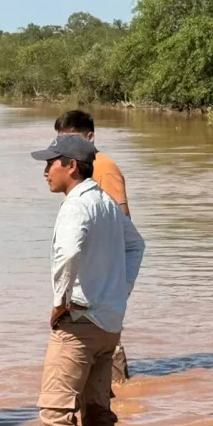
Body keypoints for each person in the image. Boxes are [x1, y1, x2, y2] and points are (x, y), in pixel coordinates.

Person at [31, 134, 145, 426]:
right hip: (108, 323)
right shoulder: (105, 201)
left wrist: (59, 302)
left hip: (79, 322)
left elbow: (67, 253)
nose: (46, 171)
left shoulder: (76, 205)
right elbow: (136, 245)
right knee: (97, 414)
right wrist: (121, 290)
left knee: (55, 417)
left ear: (71, 166)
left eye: (50, 163)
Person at [55, 110, 131, 383]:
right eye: (60, 140)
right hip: (93, 274)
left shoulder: (103, 168)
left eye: (71, 139)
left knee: (107, 341)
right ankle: (115, 394)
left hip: (103, 275)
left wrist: (118, 279)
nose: (63, 147)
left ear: (90, 137)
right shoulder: (75, 168)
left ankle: (119, 391)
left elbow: (123, 222)